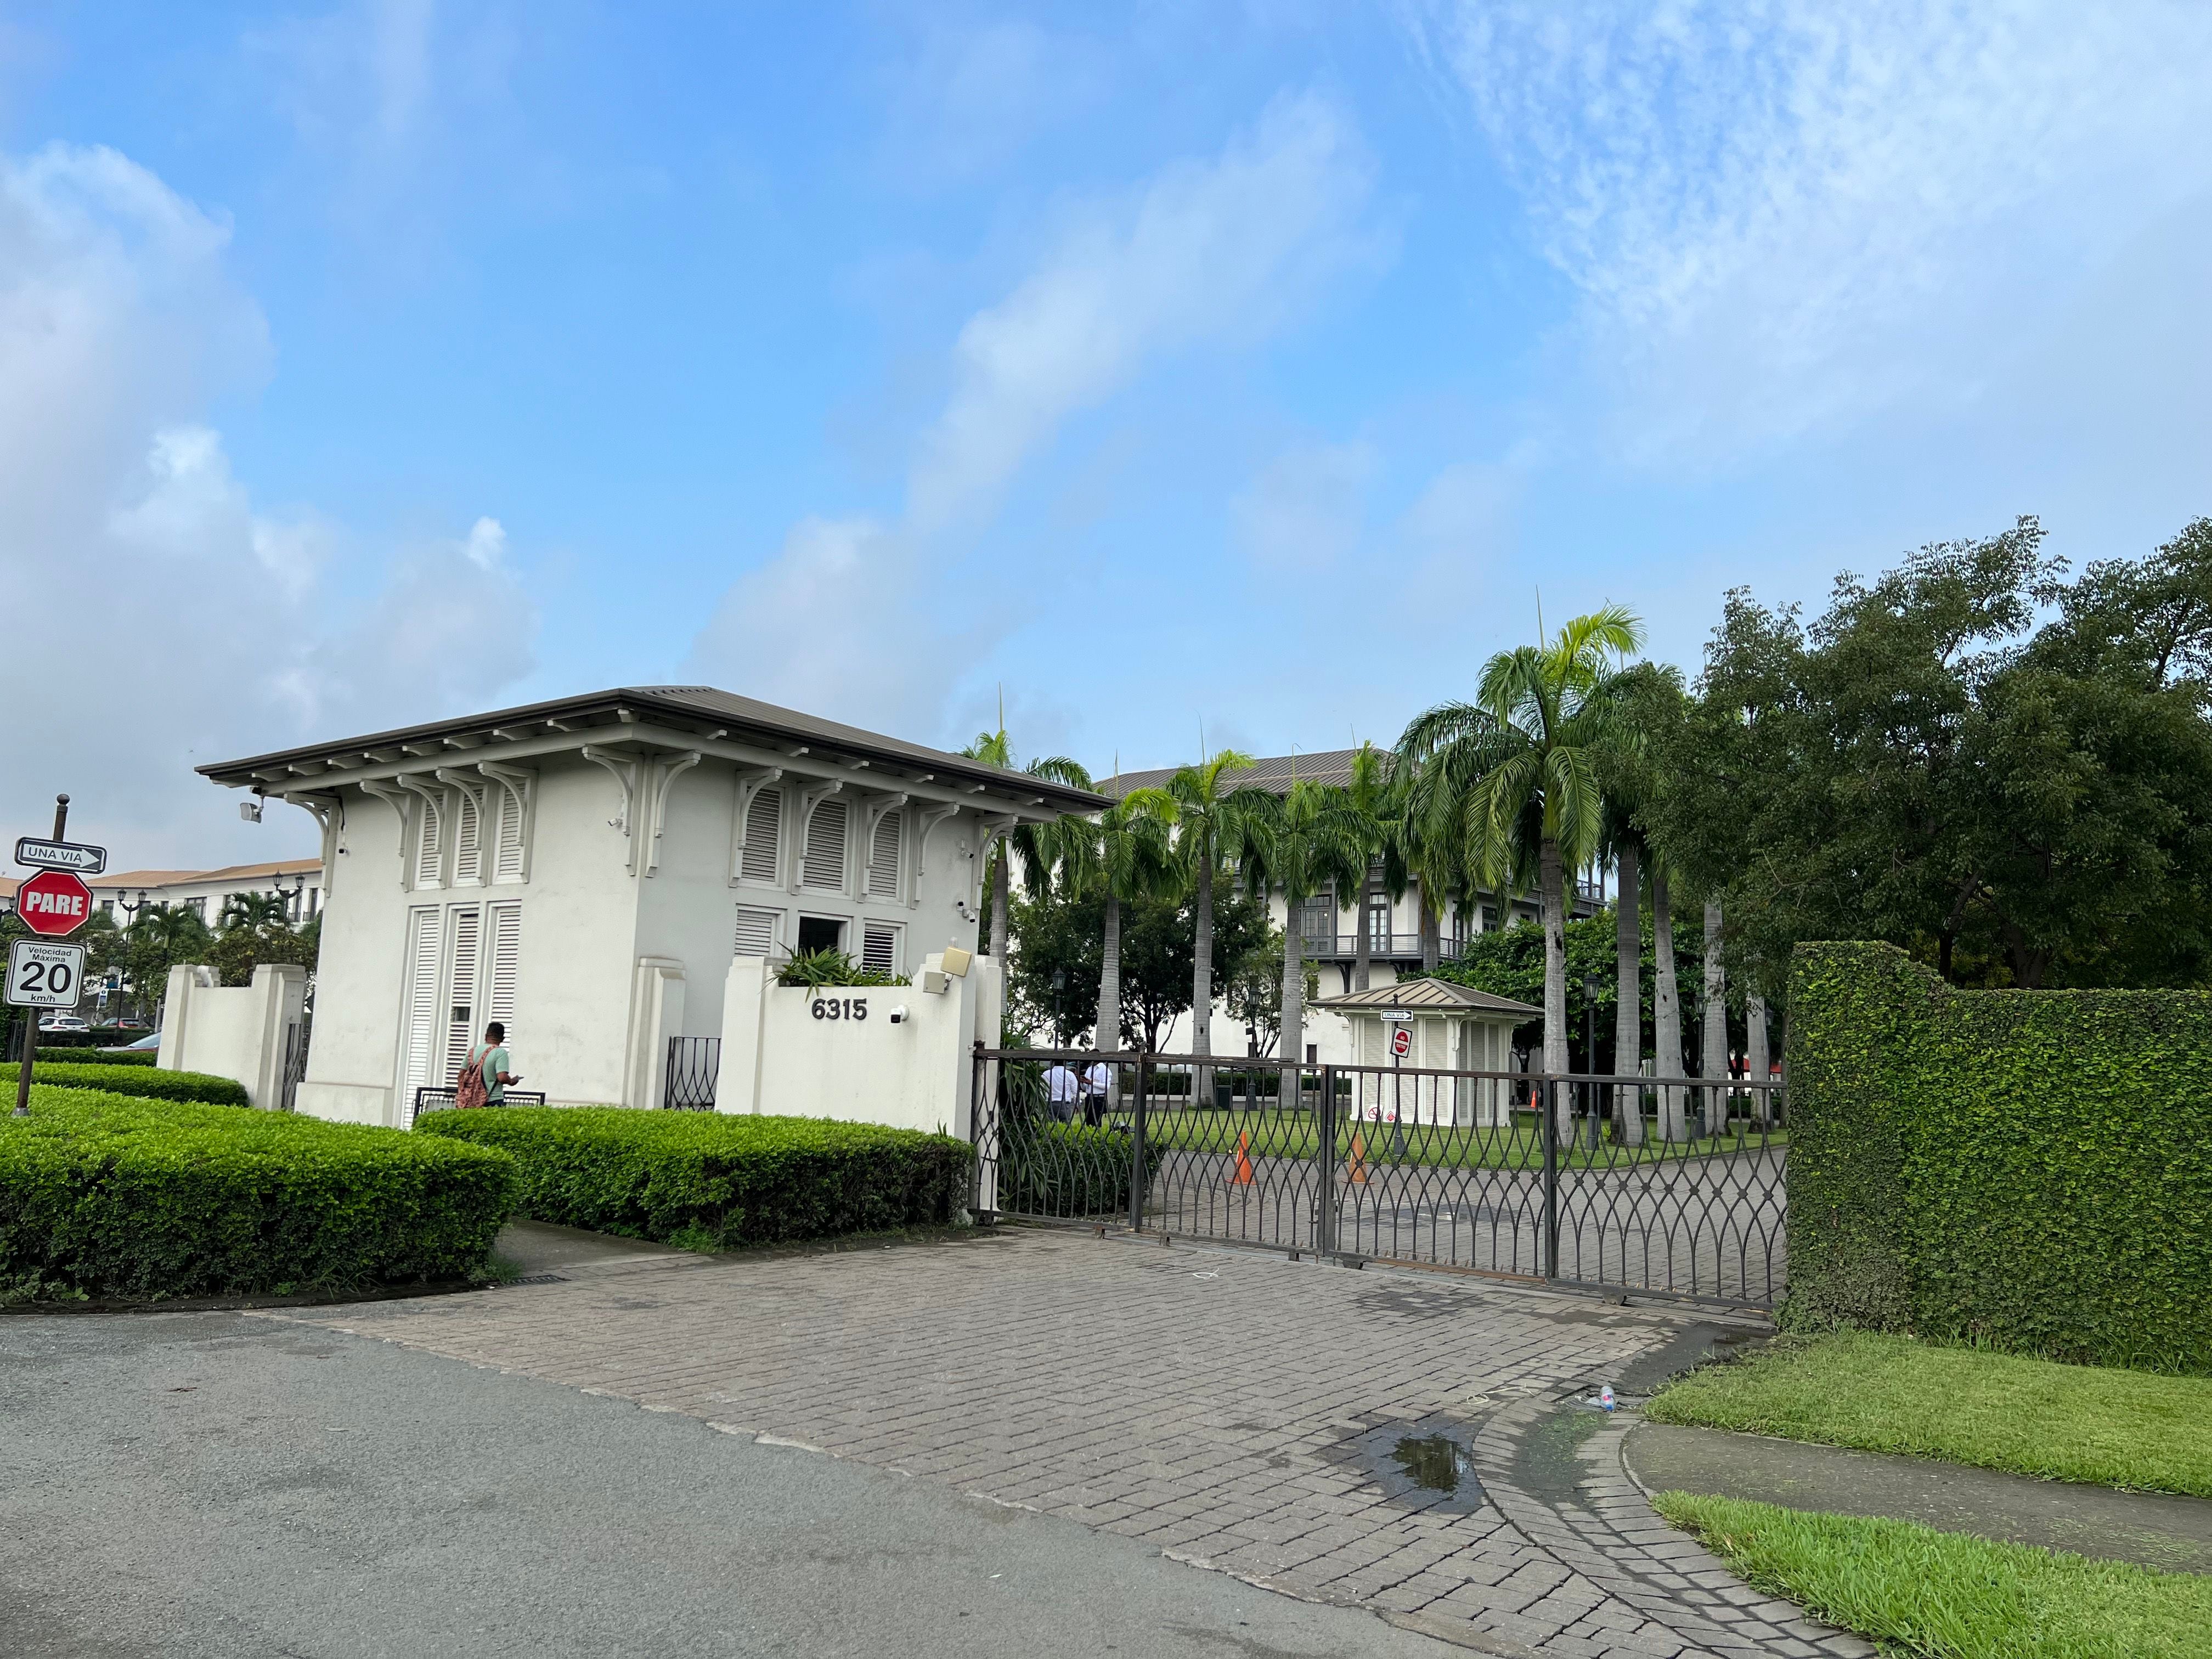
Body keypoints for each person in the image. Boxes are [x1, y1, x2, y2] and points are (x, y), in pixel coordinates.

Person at [464, 1021, 520, 1107]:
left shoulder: (472, 1051)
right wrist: (512, 1081)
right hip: (493, 1100)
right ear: (502, 1039)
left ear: (486, 1037)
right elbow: (502, 1077)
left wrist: (463, 1093)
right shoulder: (500, 1052)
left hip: (471, 1100)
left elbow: (461, 1074)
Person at [1042, 1059, 1080, 1124]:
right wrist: (1077, 1104)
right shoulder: (1070, 1074)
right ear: (1065, 1063)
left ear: (1053, 1063)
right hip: (1064, 1104)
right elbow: (1075, 1091)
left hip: (1049, 1103)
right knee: (1066, 1126)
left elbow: (1042, 1087)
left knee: (1049, 1126)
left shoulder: (1046, 1074)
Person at [1082, 1057, 1111, 1127]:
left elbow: (1106, 1086)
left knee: (1096, 1120)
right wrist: (1082, 1082)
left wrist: (1092, 1083)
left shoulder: (1104, 1069)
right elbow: (1085, 1087)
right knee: (1088, 1120)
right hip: (1089, 1097)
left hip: (1098, 1098)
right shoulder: (1090, 1069)